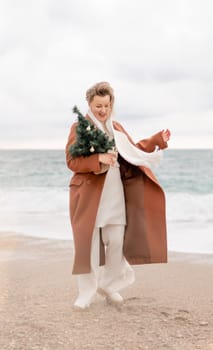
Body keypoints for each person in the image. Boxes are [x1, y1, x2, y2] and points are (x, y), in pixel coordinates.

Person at [65, 81, 171, 309]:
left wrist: (156, 140)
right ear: (89, 105)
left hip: (115, 195)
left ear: (111, 104)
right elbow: (71, 161)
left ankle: (109, 285)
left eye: (106, 105)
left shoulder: (117, 128)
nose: (102, 110)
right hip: (89, 197)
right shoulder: (80, 128)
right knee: (89, 247)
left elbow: (134, 149)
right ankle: (86, 292)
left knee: (116, 243)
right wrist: (98, 160)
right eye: (98, 106)